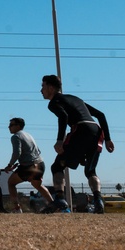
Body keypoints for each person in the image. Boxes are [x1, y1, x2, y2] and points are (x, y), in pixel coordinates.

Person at [40, 74, 115, 214]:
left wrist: (59, 141)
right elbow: (101, 115)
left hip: (80, 128)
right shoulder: (76, 99)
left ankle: (60, 200)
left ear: (50, 87)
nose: (41, 90)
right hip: (96, 131)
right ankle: (98, 201)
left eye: (42, 86)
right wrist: (108, 139)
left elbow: (64, 116)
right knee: (90, 171)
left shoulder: (54, 102)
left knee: (57, 166)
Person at [0, 117, 54, 213]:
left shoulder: (16, 136)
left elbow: (17, 153)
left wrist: (10, 165)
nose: (9, 127)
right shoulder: (28, 135)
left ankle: (17, 209)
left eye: (11, 125)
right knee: (37, 185)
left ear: (18, 126)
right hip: (40, 164)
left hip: (29, 166)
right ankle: (53, 204)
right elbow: (37, 150)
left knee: (11, 183)